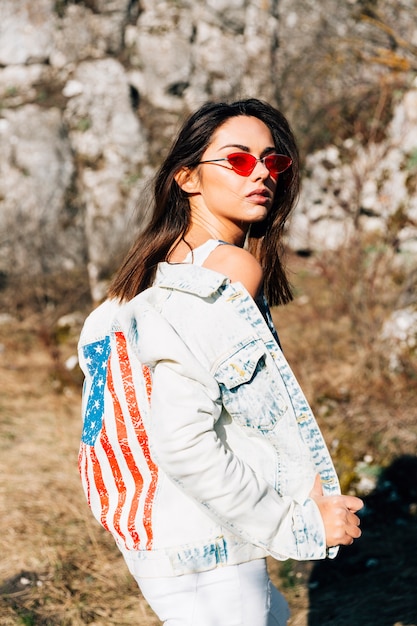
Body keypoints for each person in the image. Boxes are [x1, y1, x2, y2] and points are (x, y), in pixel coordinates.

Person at [78, 98, 363, 626]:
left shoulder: (136, 288)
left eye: (273, 161)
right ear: (187, 178)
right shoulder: (226, 269)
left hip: (156, 538)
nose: (261, 173)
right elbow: (182, 439)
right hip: (208, 547)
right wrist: (300, 524)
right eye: (237, 160)